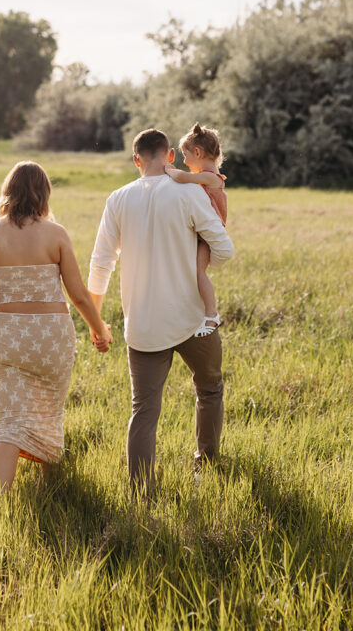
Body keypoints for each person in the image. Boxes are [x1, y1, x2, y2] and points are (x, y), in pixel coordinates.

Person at [87, 128, 234, 496]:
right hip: (193, 319)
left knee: (144, 410)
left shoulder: (117, 199)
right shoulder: (188, 193)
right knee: (210, 388)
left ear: (136, 160)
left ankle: (141, 493)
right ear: (170, 156)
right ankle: (207, 463)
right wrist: (197, 263)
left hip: (143, 325)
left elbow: (101, 262)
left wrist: (97, 320)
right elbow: (225, 249)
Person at [0, 161, 112, 490]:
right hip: (51, 339)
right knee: (48, 415)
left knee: (8, 426)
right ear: (44, 193)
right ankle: (51, 493)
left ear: (8, 192)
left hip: (6, 340)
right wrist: (100, 329)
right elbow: (79, 296)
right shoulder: (56, 234)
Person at [165, 122, 228, 337]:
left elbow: (183, 178)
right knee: (193, 272)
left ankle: (211, 315)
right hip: (201, 236)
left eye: (185, 155)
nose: (184, 160)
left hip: (207, 239)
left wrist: (168, 170)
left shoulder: (211, 178)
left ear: (198, 153)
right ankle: (198, 311)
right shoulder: (208, 177)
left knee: (199, 273)